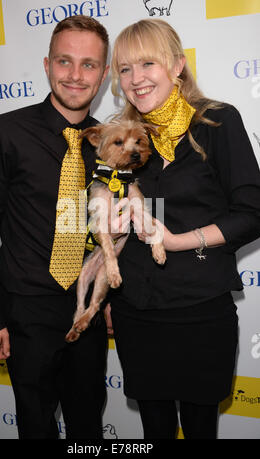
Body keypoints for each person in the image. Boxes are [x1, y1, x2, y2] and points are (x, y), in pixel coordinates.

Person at [108, 19, 260, 439]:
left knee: (199, 429)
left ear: (177, 66)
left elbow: (252, 212)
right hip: (136, 311)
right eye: (124, 69)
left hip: (200, 310)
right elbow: (101, 218)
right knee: (154, 430)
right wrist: (110, 227)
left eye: (147, 64)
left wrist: (176, 241)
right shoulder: (124, 135)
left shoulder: (216, 122)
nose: (135, 79)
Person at [0, 15, 110, 439]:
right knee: (35, 423)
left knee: (87, 424)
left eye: (89, 65)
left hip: (87, 310)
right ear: (47, 65)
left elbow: (112, 230)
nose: (76, 75)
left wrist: (111, 301)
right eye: (65, 61)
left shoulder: (110, 142)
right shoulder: (7, 132)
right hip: (26, 311)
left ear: (103, 74)